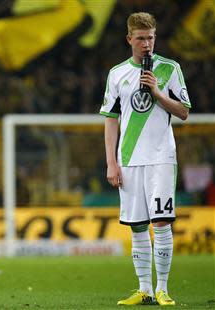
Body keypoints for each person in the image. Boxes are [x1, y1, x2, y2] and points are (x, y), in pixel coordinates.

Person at [100, 12, 191, 306]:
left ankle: (163, 288)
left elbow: (184, 112)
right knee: (137, 224)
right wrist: (111, 162)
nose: (146, 44)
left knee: (161, 222)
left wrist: (157, 92)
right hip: (128, 159)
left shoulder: (169, 69)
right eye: (140, 38)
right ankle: (145, 290)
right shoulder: (116, 74)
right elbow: (111, 120)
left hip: (161, 158)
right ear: (129, 39)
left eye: (150, 38)